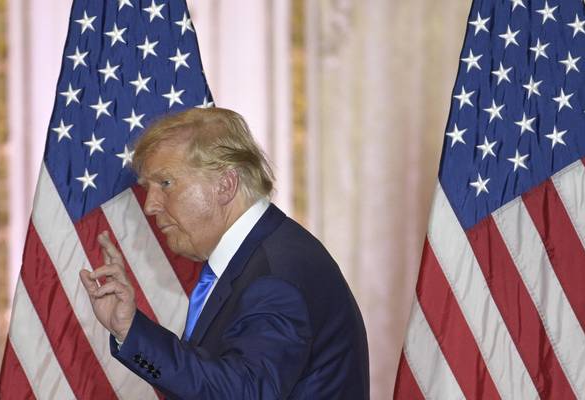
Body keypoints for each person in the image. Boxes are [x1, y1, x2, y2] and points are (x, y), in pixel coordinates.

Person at [80, 107, 369, 399]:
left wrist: (134, 332)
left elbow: (244, 393)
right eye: (148, 188)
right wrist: (128, 328)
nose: (150, 205)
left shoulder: (274, 276)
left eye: (165, 183)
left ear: (225, 184)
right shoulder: (258, 256)